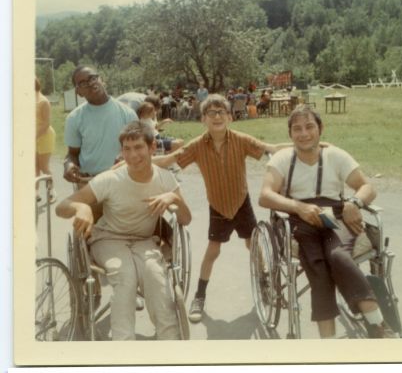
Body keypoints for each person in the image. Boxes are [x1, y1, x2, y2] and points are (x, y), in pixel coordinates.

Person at [258, 106, 396, 338]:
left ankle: (378, 326)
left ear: (320, 129)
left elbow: (368, 187)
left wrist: (354, 202)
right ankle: (330, 343)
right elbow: (265, 195)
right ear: (290, 134)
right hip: (297, 220)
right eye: (297, 129)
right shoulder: (283, 159)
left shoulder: (335, 155)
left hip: (335, 217)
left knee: (338, 256)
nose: (304, 133)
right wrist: (298, 207)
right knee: (317, 268)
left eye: (309, 126)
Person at [156, 94, 291, 323]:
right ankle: (200, 295)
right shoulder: (197, 146)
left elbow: (272, 147)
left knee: (253, 243)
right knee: (213, 250)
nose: (217, 116)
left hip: (241, 201)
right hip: (218, 205)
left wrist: (309, 146)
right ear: (203, 119)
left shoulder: (240, 139)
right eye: (211, 113)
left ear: (230, 117)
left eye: (221, 112)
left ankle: (265, 281)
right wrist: (133, 162)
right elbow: (169, 159)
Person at [55, 120, 192, 340]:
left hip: (144, 241)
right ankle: (123, 347)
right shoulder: (111, 179)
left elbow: (186, 218)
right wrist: (82, 207)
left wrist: (173, 197)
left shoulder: (166, 179)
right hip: (108, 239)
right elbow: (61, 207)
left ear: (152, 147)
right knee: (125, 277)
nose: (132, 155)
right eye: (127, 149)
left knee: (156, 279)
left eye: (138, 147)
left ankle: (171, 344)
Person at [63, 66, 138, 185]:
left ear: (102, 80)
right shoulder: (74, 118)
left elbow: (138, 148)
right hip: (88, 182)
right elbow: (72, 154)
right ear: (78, 92)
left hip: (122, 180)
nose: (91, 83)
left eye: (93, 78)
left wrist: (124, 156)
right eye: (83, 83)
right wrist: (69, 164)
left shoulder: (128, 113)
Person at [35, 77, 56, 202]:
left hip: (45, 136)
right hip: (33, 137)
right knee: (34, 167)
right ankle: (35, 193)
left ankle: (51, 193)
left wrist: (33, 137)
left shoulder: (44, 101)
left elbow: (46, 123)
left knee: (44, 167)